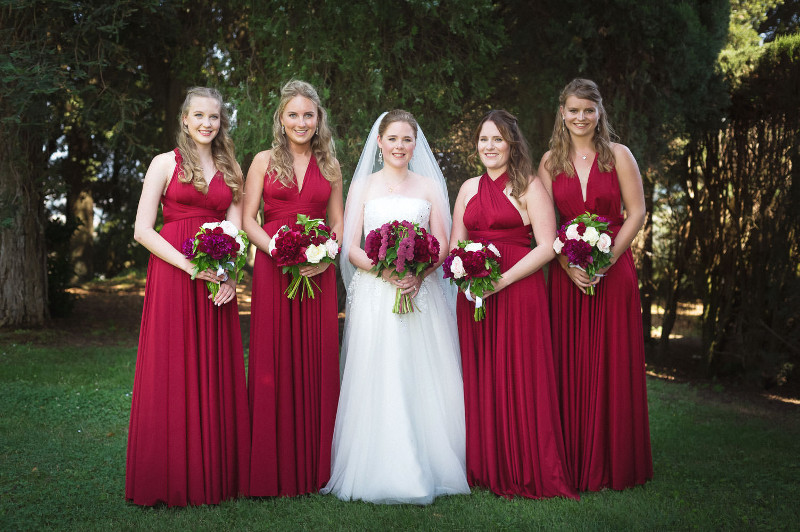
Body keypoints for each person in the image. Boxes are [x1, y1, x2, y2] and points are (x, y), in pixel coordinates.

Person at [321, 110, 470, 505]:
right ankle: (377, 465)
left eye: (407, 140)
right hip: (377, 293)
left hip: (421, 293)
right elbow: (351, 247)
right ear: (380, 143)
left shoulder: (428, 187)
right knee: (379, 371)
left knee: (421, 374)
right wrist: (385, 270)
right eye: (393, 139)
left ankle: (429, 464)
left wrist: (419, 273)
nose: (400, 146)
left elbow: (441, 242)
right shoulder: (364, 187)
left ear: (415, 144)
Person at [126, 87, 250, 506]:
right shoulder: (164, 163)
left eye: (213, 117)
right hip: (174, 271)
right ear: (185, 118)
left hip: (217, 276)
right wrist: (188, 266)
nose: (206, 123)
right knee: (172, 365)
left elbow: (235, 230)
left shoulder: (231, 167)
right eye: (198, 115)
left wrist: (230, 276)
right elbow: (143, 229)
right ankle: (169, 476)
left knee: (213, 366)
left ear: (221, 122)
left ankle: (214, 474)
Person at [450, 110, 577, 500]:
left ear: (512, 145)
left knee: (519, 375)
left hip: (518, 291)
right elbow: (456, 241)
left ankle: (522, 464)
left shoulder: (530, 186)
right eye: (484, 139)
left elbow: (547, 245)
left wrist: (500, 281)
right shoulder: (469, 188)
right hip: (474, 295)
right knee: (480, 375)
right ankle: (484, 465)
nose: (490, 147)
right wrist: (468, 275)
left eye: (498, 140)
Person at [538, 78, 653, 491]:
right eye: (574, 110)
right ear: (562, 114)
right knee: (571, 359)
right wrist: (568, 265)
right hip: (569, 273)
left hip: (614, 269)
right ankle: (574, 457)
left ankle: (616, 459)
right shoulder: (550, 162)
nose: (581, 117)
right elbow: (546, 224)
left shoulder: (619, 155)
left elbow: (637, 212)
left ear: (599, 112)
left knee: (612, 356)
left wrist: (608, 257)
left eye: (589, 109)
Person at [243, 80, 343, 496]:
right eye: (293, 115)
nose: (301, 122)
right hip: (273, 268)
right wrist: (280, 251)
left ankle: (318, 466)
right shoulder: (263, 160)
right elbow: (249, 219)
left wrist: (324, 256)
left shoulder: (332, 165)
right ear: (281, 119)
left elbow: (338, 223)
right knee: (274, 354)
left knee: (318, 357)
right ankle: (271, 465)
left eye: (308, 115)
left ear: (319, 120)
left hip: (318, 274)